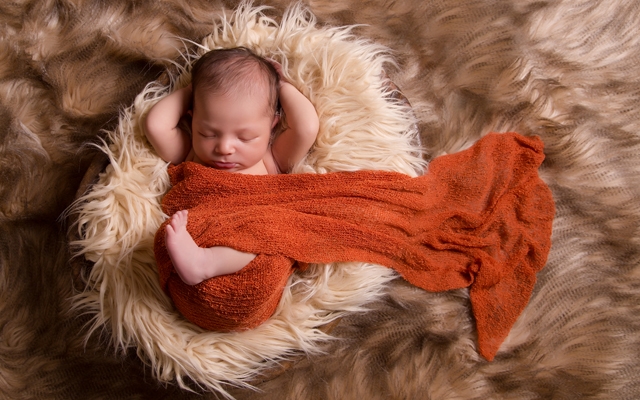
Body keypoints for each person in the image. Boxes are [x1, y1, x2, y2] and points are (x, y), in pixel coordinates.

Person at [144, 47, 319, 286]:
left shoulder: (271, 160)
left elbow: (306, 128)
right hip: (192, 264)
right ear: (191, 119)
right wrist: (191, 90)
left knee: (271, 223)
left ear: (272, 127)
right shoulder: (191, 155)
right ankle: (200, 262)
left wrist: (281, 86)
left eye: (245, 138)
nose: (224, 148)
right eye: (207, 133)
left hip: (254, 273)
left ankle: (207, 263)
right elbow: (156, 126)